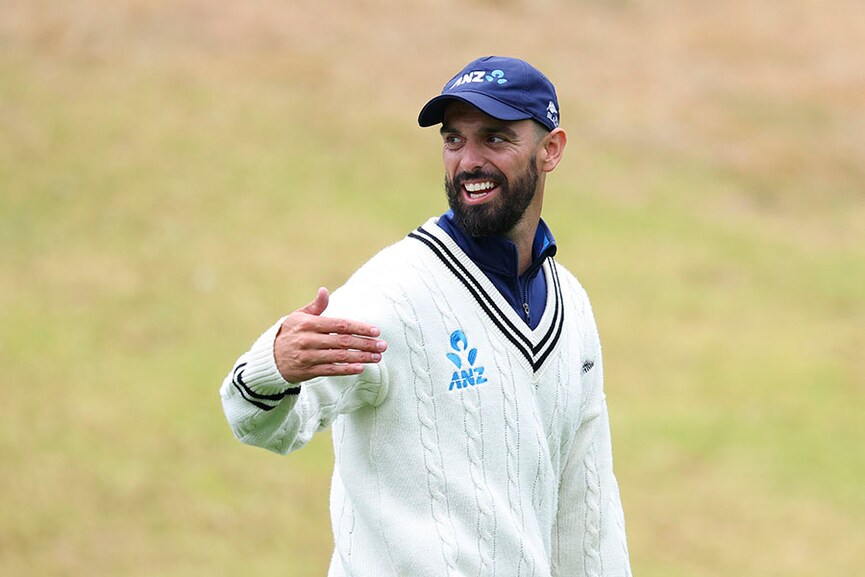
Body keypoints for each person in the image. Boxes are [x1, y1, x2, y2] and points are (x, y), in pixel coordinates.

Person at [220, 55, 632, 577]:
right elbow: (262, 423)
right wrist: (272, 368)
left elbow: (586, 510)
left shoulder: (570, 305)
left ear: (550, 150)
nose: (468, 161)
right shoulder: (393, 293)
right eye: (454, 139)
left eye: (496, 139)